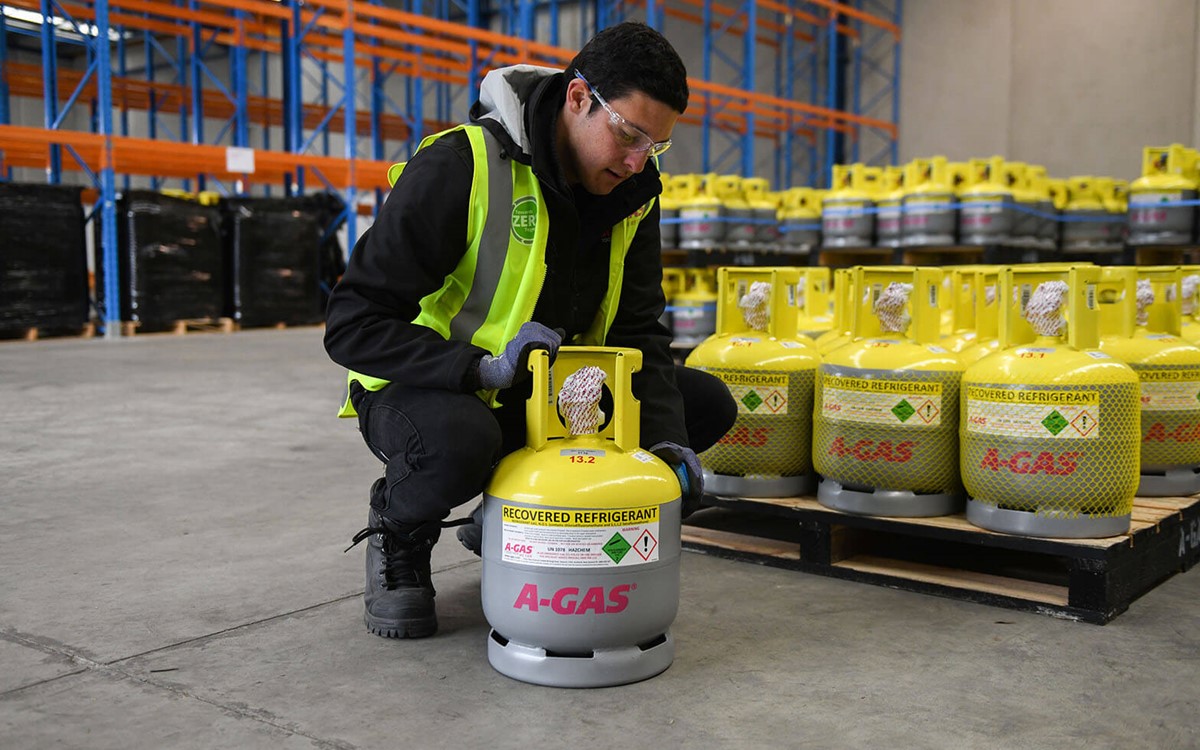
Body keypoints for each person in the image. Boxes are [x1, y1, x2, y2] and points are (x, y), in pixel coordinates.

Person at [324, 21, 736, 640]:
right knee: (460, 440)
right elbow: (352, 323)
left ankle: (513, 514)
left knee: (701, 404)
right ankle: (399, 532)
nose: (636, 161)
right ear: (578, 97)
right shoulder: (461, 166)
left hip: (547, 395)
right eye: (628, 134)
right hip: (428, 390)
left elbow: (639, 331)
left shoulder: (633, 195)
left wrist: (667, 443)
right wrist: (479, 368)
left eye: (654, 146)